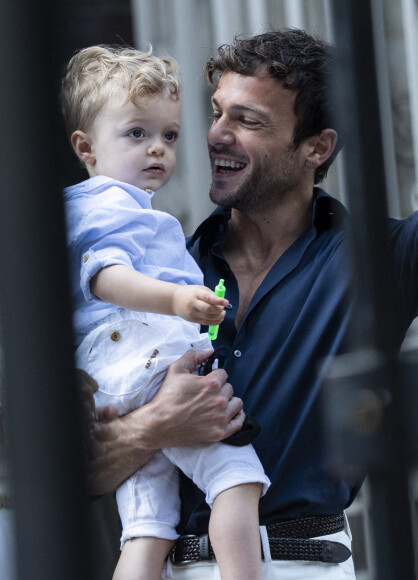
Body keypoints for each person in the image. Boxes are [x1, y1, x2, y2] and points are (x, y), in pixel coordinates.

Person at [84, 30, 418, 579]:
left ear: (316, 147)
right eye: (217, 113)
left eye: (248, 120)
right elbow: (78, 470)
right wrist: (155, 427)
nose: (216, 135)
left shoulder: (369, 263)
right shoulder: (161, 275)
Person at [60, 45, 270, 580]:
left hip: (116, 381)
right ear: (86, 147)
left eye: (168, 135)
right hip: (145, 355)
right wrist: (176, 299)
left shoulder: (90, 207)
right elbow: (105, 277)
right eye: (136, 134)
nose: (157, 149)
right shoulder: (111, 202)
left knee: (149, 525)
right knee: (236, 479)